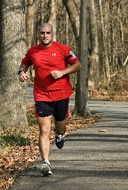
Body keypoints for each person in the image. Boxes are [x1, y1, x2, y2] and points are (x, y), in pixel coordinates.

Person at [18, 23, 82, 176]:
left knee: (60, 126)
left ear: (52, 34)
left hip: (61, 94)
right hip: (41, 95)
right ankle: (45, 162)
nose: (45, 35)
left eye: (48, 33)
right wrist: (21, 72)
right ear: (38, 34)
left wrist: (62, 72)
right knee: (44, 129)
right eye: (42, 33)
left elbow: (77, 65)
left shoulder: (63, 49)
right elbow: (25, 63)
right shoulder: (33, 51)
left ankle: (59, 135)